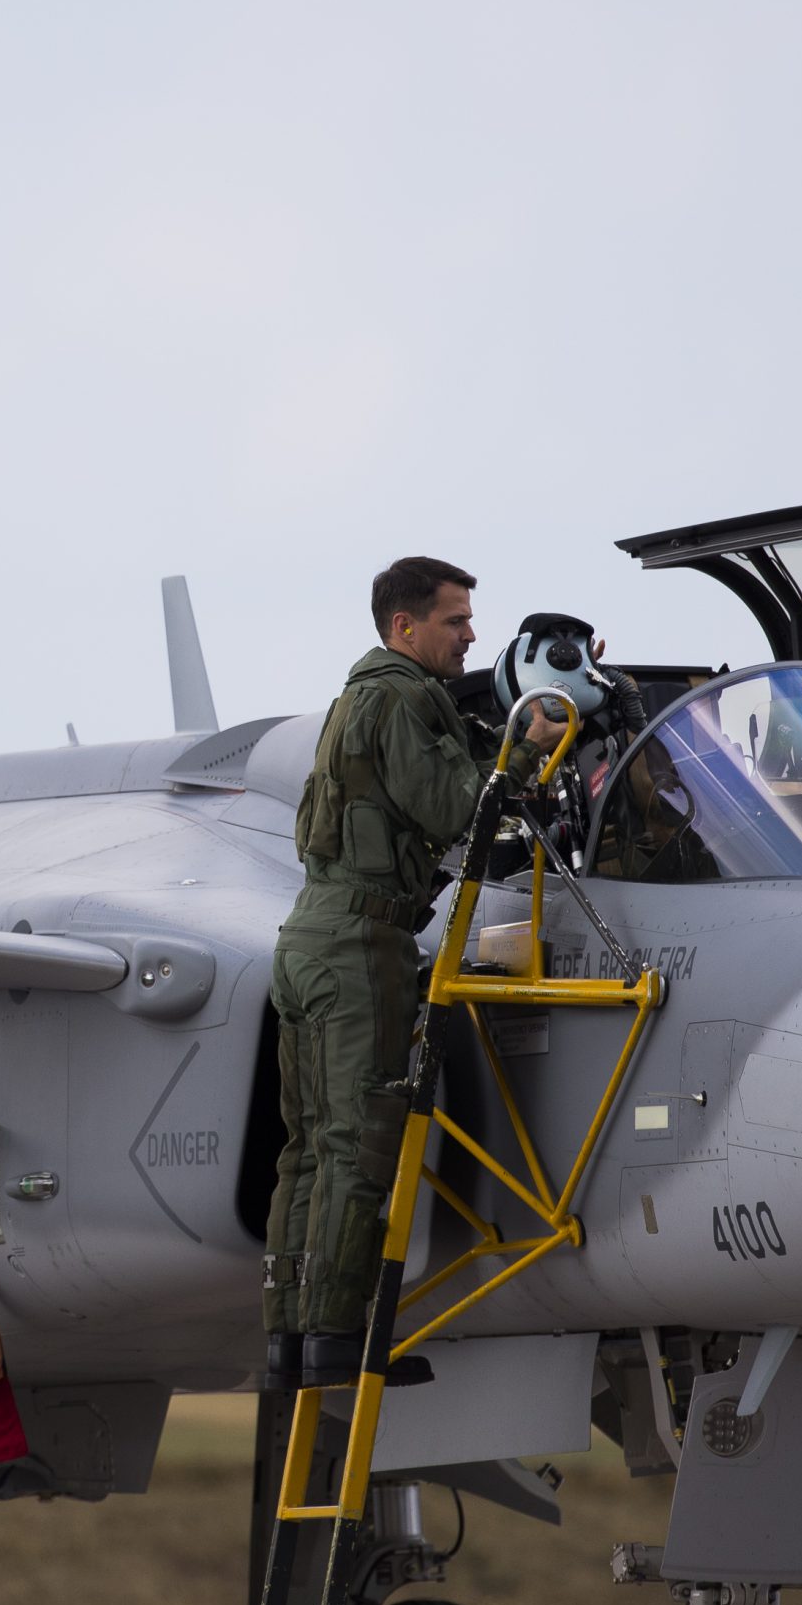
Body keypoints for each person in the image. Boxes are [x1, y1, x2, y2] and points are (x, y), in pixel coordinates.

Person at [262, 556, 492, 1391]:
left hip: (309, 936)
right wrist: (526, 750)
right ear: (406, 627)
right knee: (360, 1147)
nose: (472, 637)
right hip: (361, 945)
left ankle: (292, 1336)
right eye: (455, 621)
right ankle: (337, 1337)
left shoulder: (352, 700)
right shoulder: (405, 696)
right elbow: (458, 809)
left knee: (306, 1152)